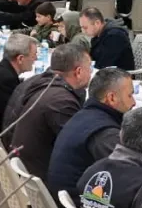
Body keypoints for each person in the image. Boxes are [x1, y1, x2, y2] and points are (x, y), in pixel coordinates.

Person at [3, 43, 93, 180]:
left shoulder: (38, 82)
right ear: (79, 72)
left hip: (23, 164)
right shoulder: (61, 102)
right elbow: (79, 147)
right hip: (39, 177)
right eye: (89, 69)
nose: (91, 73)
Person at [48, 67, 135, 200]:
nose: (134, 102)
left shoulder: (85, 115)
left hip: (64, 198)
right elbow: (132, 174)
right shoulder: (104, 133)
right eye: (130, 95)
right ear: (111, 98)